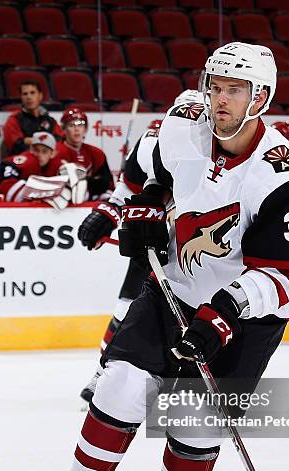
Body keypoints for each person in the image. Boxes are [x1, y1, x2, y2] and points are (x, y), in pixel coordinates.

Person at [32, 43, 289, 471]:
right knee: (119, 384)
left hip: (245, 315)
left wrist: (225, 313)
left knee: (194, 421)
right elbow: (143, 174)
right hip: (175, 290)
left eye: (235, 89)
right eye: (215, 84)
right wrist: (120, 209)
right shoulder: (184, 121)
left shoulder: (285, 175)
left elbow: (282, 278)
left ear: (262, 98)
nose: (219, 98)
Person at [77, 90, 203, 404]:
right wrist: (105, 213)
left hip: (198, 251)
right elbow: (126, 189)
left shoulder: (220, 157)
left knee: (197, 318)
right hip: (154, 243)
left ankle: (186, 381)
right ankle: (103, 374)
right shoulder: (149, 148)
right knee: (126, 310)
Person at [57, 108, 115, 201]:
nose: (76, 129)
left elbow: (107, 183)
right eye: (72, 125)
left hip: (90, 198)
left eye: (80, 125)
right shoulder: (56, 152)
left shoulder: (96, 153)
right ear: (64, 129)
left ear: (86, 129)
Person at [0, 131, 65, 203]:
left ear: (53, 154)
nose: (39, 154)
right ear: (31, 149)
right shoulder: (26, 161)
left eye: (44, 151)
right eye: (36, 150)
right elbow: (5, 184)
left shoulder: (59, 166)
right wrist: (31, 197)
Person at [3, 80, 63, 155]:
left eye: (32, 93)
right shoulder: (14, 120)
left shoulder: (50, 121)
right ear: (21, 98)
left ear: (40, 96)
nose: (29, 97)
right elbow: (15, 146)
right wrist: (46, 143)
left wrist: (30, 140)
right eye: (25, 94)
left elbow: (60, 142)